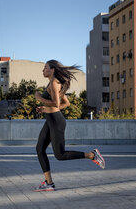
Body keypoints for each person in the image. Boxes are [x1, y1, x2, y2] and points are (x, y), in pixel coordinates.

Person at [34, 60, 105, 192]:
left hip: (56, 121)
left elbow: (55, 103)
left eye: (45, 68)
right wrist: (44, 108)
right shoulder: (52, 83)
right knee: (39, 149)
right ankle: (49, 183)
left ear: (53, 69)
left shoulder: (54, 83)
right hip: (51, 119)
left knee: (60, 155)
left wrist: (40, 98)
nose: (43, 70)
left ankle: (92, 155)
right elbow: (66, 103)